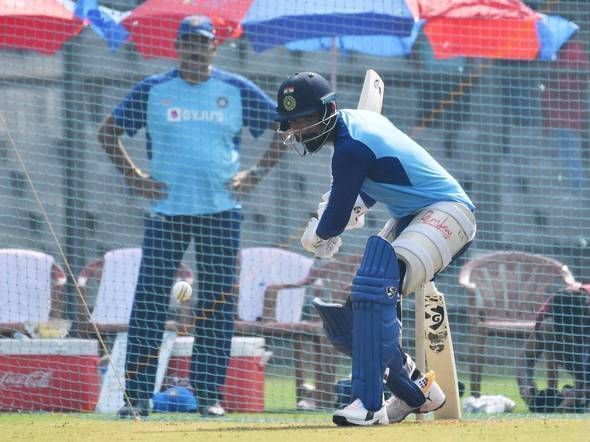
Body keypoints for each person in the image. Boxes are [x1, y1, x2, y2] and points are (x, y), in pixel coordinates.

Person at [97, 15, 286, 418]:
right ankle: (136, 398)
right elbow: (106, 132)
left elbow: (282, 127)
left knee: (216, 304)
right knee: (148, 303)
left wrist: (256, 173)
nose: (195, 50)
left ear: (214, 47)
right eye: (187, 43)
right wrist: (135, 176)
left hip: (221, 213)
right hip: (166, 213)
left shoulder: (235, 89)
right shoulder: (153, 89)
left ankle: (209, 397)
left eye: (202, 43)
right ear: (177, 47)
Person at [275, 72, 476, 426]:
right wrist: (346, 211)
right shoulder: (354, 129)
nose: (300, 129)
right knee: (355, 319)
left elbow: (335, 217)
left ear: (329, 110)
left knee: (374, 287)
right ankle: (418, 391)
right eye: (294, 122)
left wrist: (319, 235)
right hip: (412, 215)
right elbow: (379, 178)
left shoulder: (350, 148)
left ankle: (368, 406)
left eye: (306, 119)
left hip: (449, 212)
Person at [517, 284, 590, 413]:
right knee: (548, 327)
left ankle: (579, 394)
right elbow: (526, 357)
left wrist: (579, 392)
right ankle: (569, 394)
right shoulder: (547, 314)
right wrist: (525, 387)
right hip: (577, 357)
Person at [540, 38, 589, 189]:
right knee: (563, 152)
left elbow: (574, 84)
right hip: (558, 114)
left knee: (570, 151)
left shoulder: (573, 51)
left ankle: (576, 186)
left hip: (566, 114)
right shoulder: (560, 50)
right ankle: (570, 186)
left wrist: (553, 78)